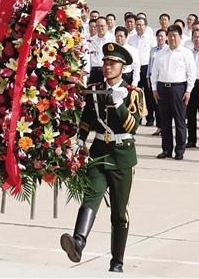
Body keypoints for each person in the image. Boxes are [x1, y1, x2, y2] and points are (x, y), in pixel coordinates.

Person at [60, 42, 146, 272]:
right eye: (106, 62)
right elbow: (88, 117)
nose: (108, 66)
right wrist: (80, 141)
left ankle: (117, 262)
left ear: (124, 67)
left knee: (119, 212)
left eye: (113, 63)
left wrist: (119, 103)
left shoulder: (133, 94)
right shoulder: (96, 88)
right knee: (91, 195)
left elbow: (132, 125)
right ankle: (78, 242)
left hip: (122, 155)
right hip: (99, 152)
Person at [151, 25, 196, 160]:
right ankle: (166, 149)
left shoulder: (186, 53)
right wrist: (154, 89)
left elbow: (191, 73)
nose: (172, 38)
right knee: (165, 122)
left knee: (180, 121)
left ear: (180, 37)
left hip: (179, 89)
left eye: (174, 35)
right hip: (162, 88)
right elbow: (154, 73)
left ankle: (180, 150)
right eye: (169, 35)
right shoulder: (160, 53)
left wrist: (188, 91)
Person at [128, 16, 157, 127]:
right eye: (138, 25)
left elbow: (154, 56)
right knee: (135, 94)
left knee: (149, 95)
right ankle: (137, 117)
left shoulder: (151, 38)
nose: (139, 27)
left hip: (147, 68)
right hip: (135, 68)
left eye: (142, 25)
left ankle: (150, 118)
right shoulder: (132, 39)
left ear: (146, 26)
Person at [146, 29, 167, 130]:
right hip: (153, 79)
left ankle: (164, 126)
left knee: (163, 105)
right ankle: (159, 127)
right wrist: (148, 78)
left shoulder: (168, 49)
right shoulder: (153, 50)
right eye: (158, 36)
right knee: (155, 103)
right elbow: (150, 65)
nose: (160, 38)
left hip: (163, 80)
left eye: (162, 36)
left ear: (166, 37)